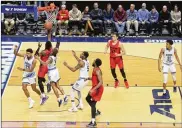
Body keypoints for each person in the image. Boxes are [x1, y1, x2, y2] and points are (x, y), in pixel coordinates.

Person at [86, 58, 104, 127]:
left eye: (94, 60)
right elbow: (94, 78)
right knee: (87, 98)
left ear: (95, 63)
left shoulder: (98, 71)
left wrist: (94, 89)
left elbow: (101, 82)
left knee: (93, 104)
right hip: (95, 88)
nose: (92, 61)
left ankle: (93, 122)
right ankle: (96, 112)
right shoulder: (95, 69)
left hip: (97, 89)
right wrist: (88, 78)